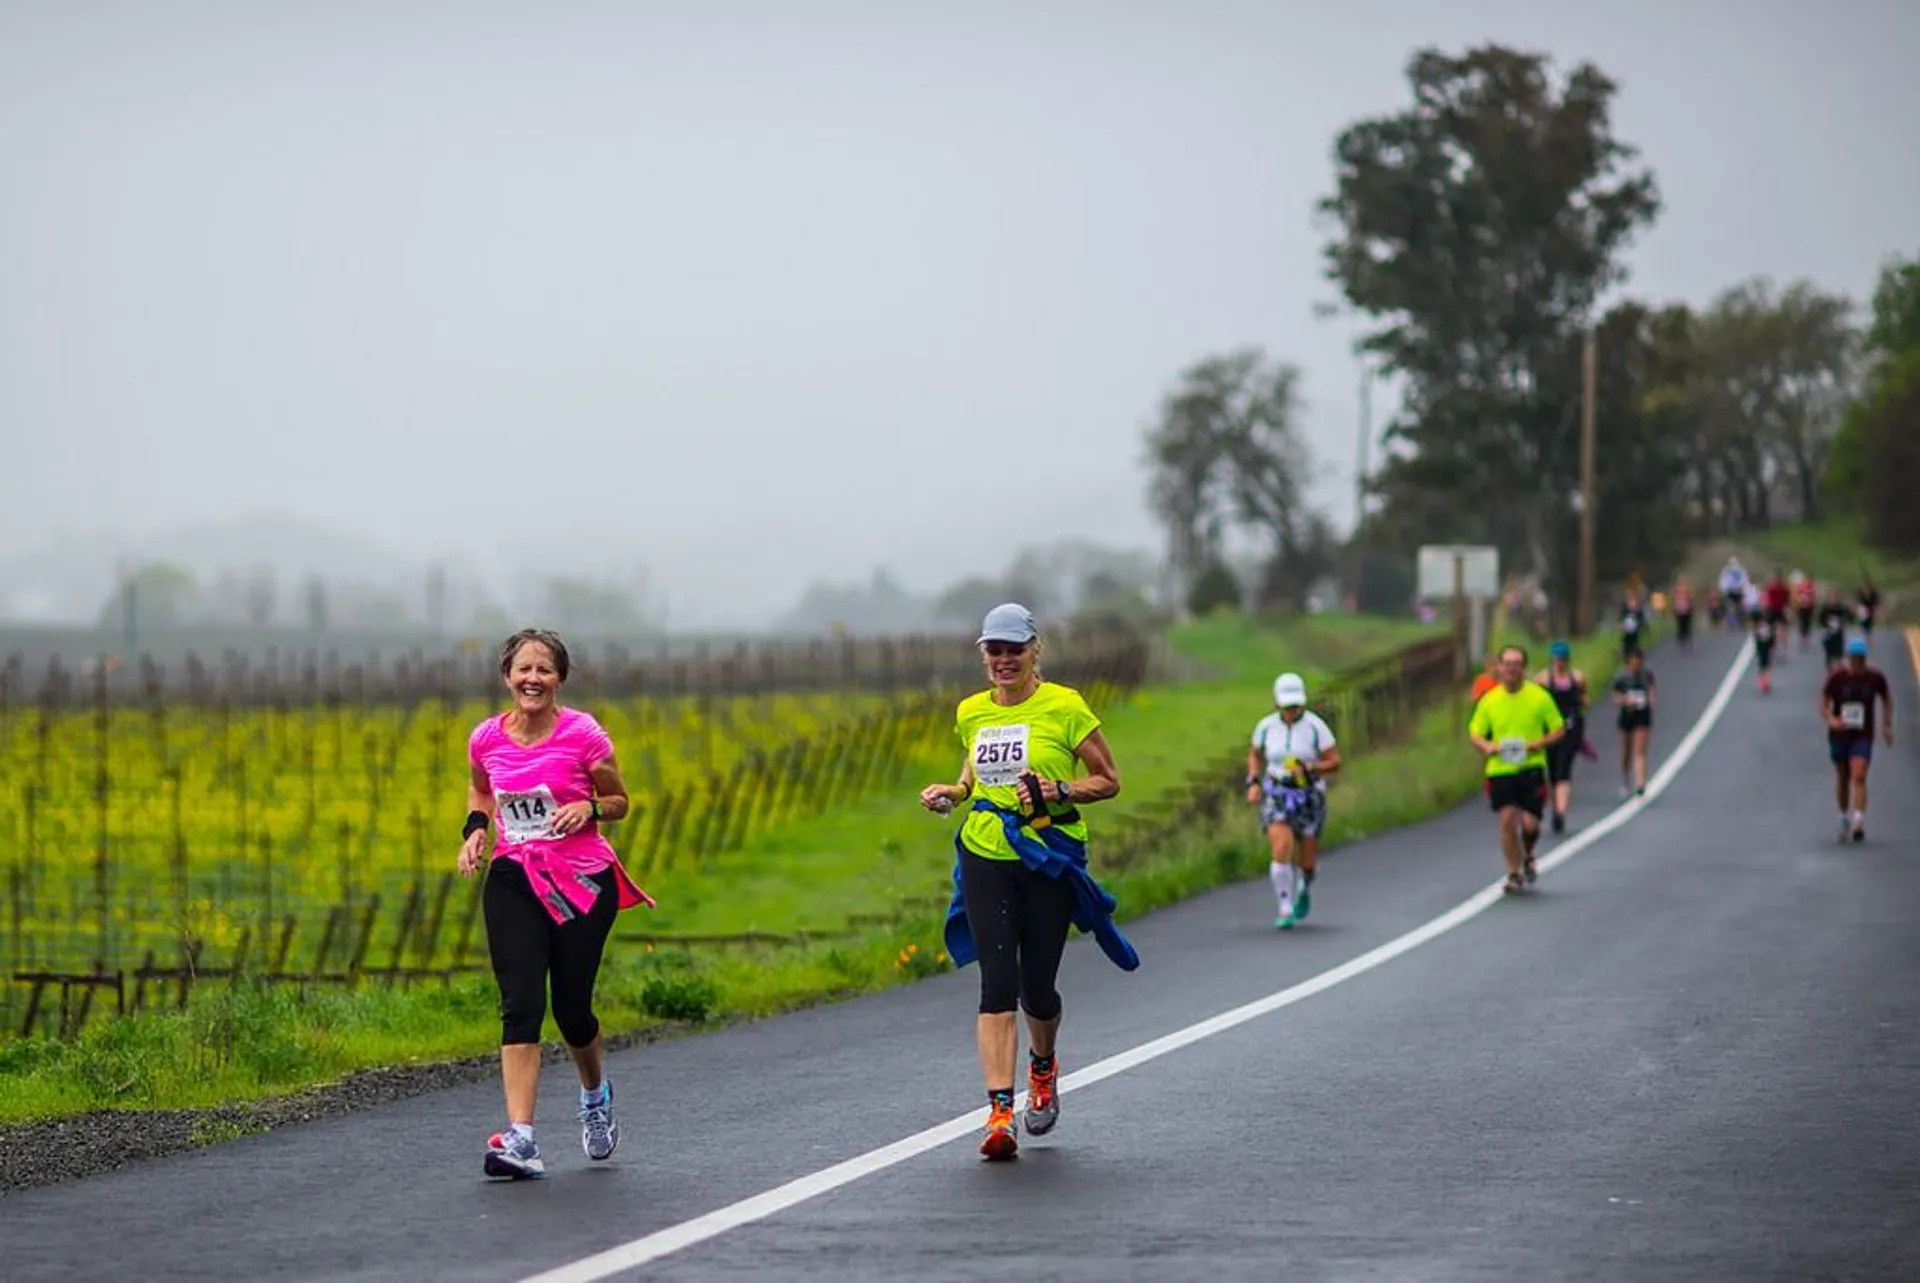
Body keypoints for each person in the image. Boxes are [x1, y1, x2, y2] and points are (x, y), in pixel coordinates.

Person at [922, 603, 1133, 1162]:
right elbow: (974, 770)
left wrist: (1057, 790)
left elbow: (1108, 781)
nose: (1004, 659)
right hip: (986, 851)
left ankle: (1043, 1066)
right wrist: (956, 792)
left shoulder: (1064, 706)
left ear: (1035, 650)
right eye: (994, 649)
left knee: (1038, 989)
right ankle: (999, 1113)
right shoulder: (971, 711)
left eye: (1015, 648)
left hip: (1047, 854)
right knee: (997, 986)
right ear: (983, 654)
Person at [458, 627, 655, 1181]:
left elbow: (620, 801)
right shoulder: (486, 738)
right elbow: (481, 790)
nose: (533, 679)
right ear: (507, 677)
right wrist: (475, 830)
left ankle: (595, 1094)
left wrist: (589, 809)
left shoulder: (584, 734)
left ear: (559, 679)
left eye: (544, 670)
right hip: (515, 875)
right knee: (520, 1003)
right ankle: (521, 1138)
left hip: (582, 881)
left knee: (571, 1008)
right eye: (523, 670)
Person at [1245, 672, 1343, 929]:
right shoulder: (1266, 727)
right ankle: (1284, 905)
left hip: (1309, 794)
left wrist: (1312, 768)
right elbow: (1254, 755)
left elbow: (1335, 761)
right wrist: (1253, 781)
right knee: (1281, 846)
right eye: (1287, 706)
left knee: (1307, 860)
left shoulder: (1315, 726)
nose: (1292, 711)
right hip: (1277, 791)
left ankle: (1304, 884)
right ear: (1277, 703)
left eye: (1296, 706)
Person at [1468, 645, 1566, 895]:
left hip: (1531, 767)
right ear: (1499, 667)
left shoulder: (1539, 696)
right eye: (1507, 663)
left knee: (1530, 824)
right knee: (1507, 819)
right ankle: (1514, 872)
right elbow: (1475, 732)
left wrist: (1538, 743)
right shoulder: (1490, 700)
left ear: (1524, 668)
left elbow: (1558, 728)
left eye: (1517, 664)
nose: (1512, 668)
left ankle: (1529, 853)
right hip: (1500, 769)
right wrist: (1487, 746)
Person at [1821, 635, 1893, 842]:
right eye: (1854, 658)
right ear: (1848, 658)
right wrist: (1831, 719)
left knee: (1859, 775)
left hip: (1862, 735)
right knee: (1843, 777)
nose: (1857, 662)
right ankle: (1844, 815)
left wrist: (1886, 725)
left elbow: (1886, 697)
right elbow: (1823, 701)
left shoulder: (1874, 677)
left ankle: (1858, 821)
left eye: (1860, 658)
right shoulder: (1838, 678)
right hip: (1839, 735)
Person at [1534, 641, 1588, 834]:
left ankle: (1560, 812)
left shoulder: (1578, 678)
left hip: (1571, 730)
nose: (1560, 662)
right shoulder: (1542, 679)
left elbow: (1584, 699)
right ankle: (1556, 805)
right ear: (1552, 659)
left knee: (1564, 769)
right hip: (1549, 732)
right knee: (1553, 771)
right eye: (1557, 658)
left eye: (1563, 659)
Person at [1611, 649, 1657, 797]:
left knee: (1640, 750)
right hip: (1627, 716)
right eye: (1632, 663)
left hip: (1643, 716)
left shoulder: (1647, 675)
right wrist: (1625, 701)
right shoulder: (1621, 677)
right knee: (1626, 751)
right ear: (1628, 663)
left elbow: (1652, 691)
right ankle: (1624, 779)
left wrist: (1650, 700)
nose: (1635, 666)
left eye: (1638, 663)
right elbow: (1615, 696)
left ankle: (1640, 783)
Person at [1818, 587, 1852, 668]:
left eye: (1835, 597)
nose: (1833, 599)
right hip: (1828, 634)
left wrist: (1844, 621)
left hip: (1839, 634)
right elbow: (1820, 619)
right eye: (1832, 597)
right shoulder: (1826, 607)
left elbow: (1850, 616)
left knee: (1839, 655)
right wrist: (1825, 624)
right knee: (1829, 654)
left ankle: (1839, 670)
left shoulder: (1841, 607)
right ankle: (1829, 669)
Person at [1751, 609, 1779, 694]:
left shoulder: (1766, 626)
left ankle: (1765, 682)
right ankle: (1763, 682)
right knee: (1764, 665)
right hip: (1763, 648)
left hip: (1766, 648)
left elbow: (1771, 637)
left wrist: (1773, 645)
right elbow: (1757, 639)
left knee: (1766, 665)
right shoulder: (1760, 627)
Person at [1618, 590, 1649, 659]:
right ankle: (1626, 652)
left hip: (1635, 628)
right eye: (1630, 602)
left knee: (1634, 641)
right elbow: (1622, 618)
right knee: (1626, 640)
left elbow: (1641, 618)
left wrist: (1644, 626)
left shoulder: (1638, 609)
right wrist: (1621, 625)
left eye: (1633, 602)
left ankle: (1634, 652)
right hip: (1627, 628)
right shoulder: (1625, 610)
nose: (1631, 604)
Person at [1792, 570, 1817, 652]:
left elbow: (1814, 596)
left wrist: (1812, 601)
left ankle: (1806, 637)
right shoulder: (1802, 586)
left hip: (1809, 607)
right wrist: (1799, 601)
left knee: (1808, 622)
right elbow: (1797, 594)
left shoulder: (1813, 586)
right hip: (1802, 606)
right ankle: (1802, 637)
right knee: (1802, 622)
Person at [1857, 575, 1882, 650]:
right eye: (1863, 585)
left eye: (1865, 586)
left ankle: (1869, 641)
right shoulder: (1861, 592)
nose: (1864, 587)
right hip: (1863, 609)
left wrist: (1877, 610)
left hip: (1870, 610)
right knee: (1863, 625)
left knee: (1868, 626)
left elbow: (1876, 603)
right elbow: (1859, 601)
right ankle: (1866, 640)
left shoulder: (1873, 593)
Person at [1671, 578, 1695, 653]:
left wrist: (1691, 608)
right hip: (1680, 611)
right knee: (1681, 627)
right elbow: (1674, 600)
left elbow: (1690, 600)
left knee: (1686, 626)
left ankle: (1685, 641)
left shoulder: (1686, 590)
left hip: (1686, 611)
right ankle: (1682, 642)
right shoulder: (1677, 590)